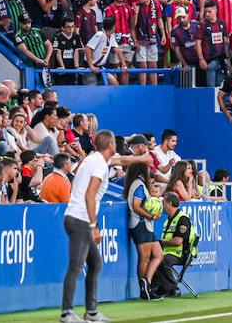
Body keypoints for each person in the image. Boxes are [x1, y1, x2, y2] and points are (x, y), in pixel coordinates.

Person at [61, 130, 151, 323]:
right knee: (76, 267)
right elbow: (89, 195)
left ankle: (91, 312)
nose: (118, 147)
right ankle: (67, 313)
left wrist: (141, 158)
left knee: (95, 264)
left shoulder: (96, 159)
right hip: (80, 219)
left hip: (78, 218)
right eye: (116, 145)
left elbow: (123, 161)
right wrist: (93, 226)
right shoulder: (100, 165)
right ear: (111, 146)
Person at [124, 151, 163, 300]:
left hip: (145, 225)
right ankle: (144, 289)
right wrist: (151, 216)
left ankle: (147, 284)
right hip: (140, 224)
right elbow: (136, 206)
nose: (151, 168)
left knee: (158, 254)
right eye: (149, 165)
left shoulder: (140, 183)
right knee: (144, 258)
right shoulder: (138, 183)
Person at [151, 193, 196, 297]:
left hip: (182, 254)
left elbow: (178, 242)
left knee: (161, 260)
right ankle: (156, 288)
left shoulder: (182, 219)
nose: (162, 206)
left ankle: (173, 288)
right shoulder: (169, 220)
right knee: (153, 259)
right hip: (170, 253)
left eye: (163, 203)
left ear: (169, 203)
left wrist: (160, 242)